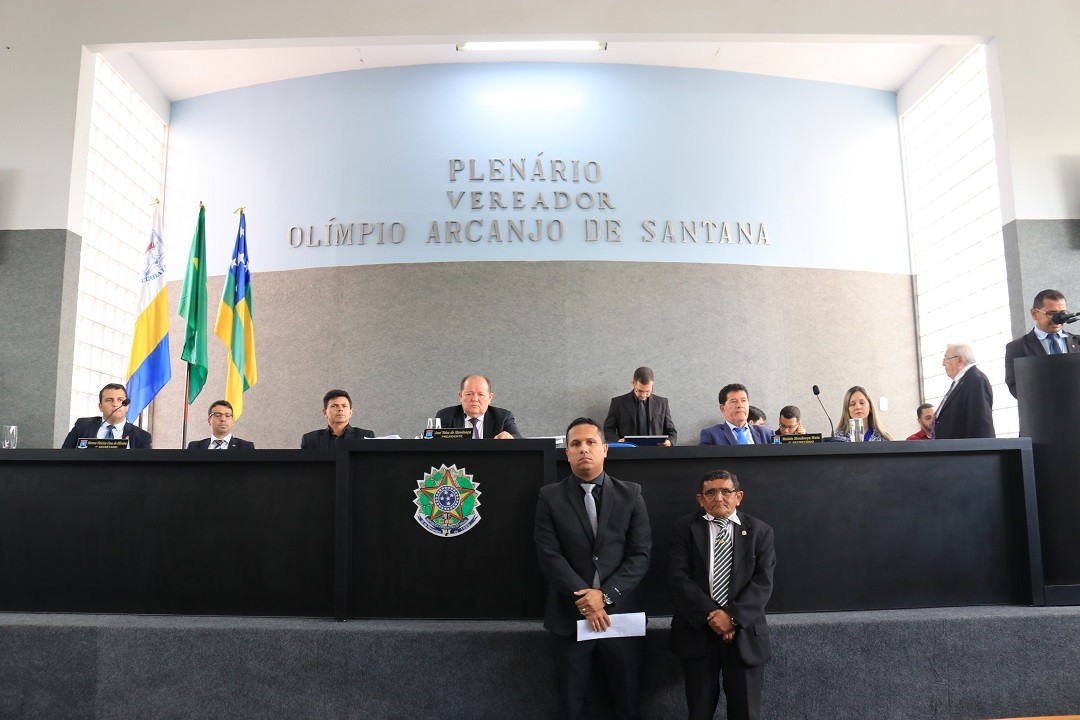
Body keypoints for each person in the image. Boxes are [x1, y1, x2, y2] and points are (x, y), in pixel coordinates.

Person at [534, 418, 652, 720]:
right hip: (570, 615)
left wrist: (606, 596)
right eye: (575, 444)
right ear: (567, 453)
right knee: (571, 703)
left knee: (626, 701)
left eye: (590, 443)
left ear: (605, 449)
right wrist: (587, 601)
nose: (583, 449)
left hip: (621, 615)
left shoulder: (631, 494)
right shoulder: (549, 496)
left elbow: (640, 555)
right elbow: (549, 555)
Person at [668, 469, 775, 720]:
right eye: (711, 492)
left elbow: (763, 582)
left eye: (726, 491)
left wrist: (732, 617)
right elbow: (678, 578)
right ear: (700, 499)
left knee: (746, 713)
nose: (719, 498)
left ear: (739, 497)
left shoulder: (761, 531)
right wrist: (714, 617)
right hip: (697, 632)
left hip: (745, 635)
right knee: (699, 712)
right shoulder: (683, 529)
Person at [1004, 289, 1080, 398]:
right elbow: (1015, 387)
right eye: (1052, 314)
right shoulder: (1017, 347)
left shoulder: (1078, 342)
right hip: (1043, 411)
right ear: (1035, 314)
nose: (1058, 319)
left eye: (1062, 314)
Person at [933, 343, 996, 439]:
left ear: (960, 360)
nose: (943, 364)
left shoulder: (976, 380)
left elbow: (980, 425)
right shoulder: (960, 382)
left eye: (946, 358)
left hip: (963, 451)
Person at [61, 383, 152, 449]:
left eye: (120, 400)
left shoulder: (141, 437)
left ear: (127, 406)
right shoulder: (82, 426)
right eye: (109, 400)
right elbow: (64, 456)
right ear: (100, 406)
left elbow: (145, 470)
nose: (115, 404)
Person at [603, 366, 677, 445]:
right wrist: (618, 441)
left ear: (653, 384)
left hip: (657, 452)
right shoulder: (618, 403)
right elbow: (608, 429)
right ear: (633, 384)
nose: (644, 395)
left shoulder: (663, 403)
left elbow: (671, 431)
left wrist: (669, 442)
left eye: (648, 391)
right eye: (640, 391)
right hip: (628, 452)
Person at [435, 374, 522, 439]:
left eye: (481, 394)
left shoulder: (503, 417)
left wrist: (510, 437)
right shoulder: (445, 416)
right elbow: (432, 443)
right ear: (460, 396)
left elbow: (518, 437)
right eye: (469, 394)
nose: (475, 399)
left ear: (490, 397)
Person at [699, 384, 775, 445]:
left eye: (743, 400)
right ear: (722, 408)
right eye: (734, 401)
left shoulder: (767, 434)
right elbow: (705, 463)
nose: (740, 405)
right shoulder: (711, 434)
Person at [300, 390, 374, 449]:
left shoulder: (365, 436)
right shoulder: (310, 440)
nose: (340, 409)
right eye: (334, 406)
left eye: (344, 406)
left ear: (350, 413)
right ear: (325, 412)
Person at [187, 399, 255, 449]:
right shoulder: (194, 447)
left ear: (232, 421)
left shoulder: (246, 447)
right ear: (209, 420)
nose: (223, 419)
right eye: (218, 415)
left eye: (227, 415)